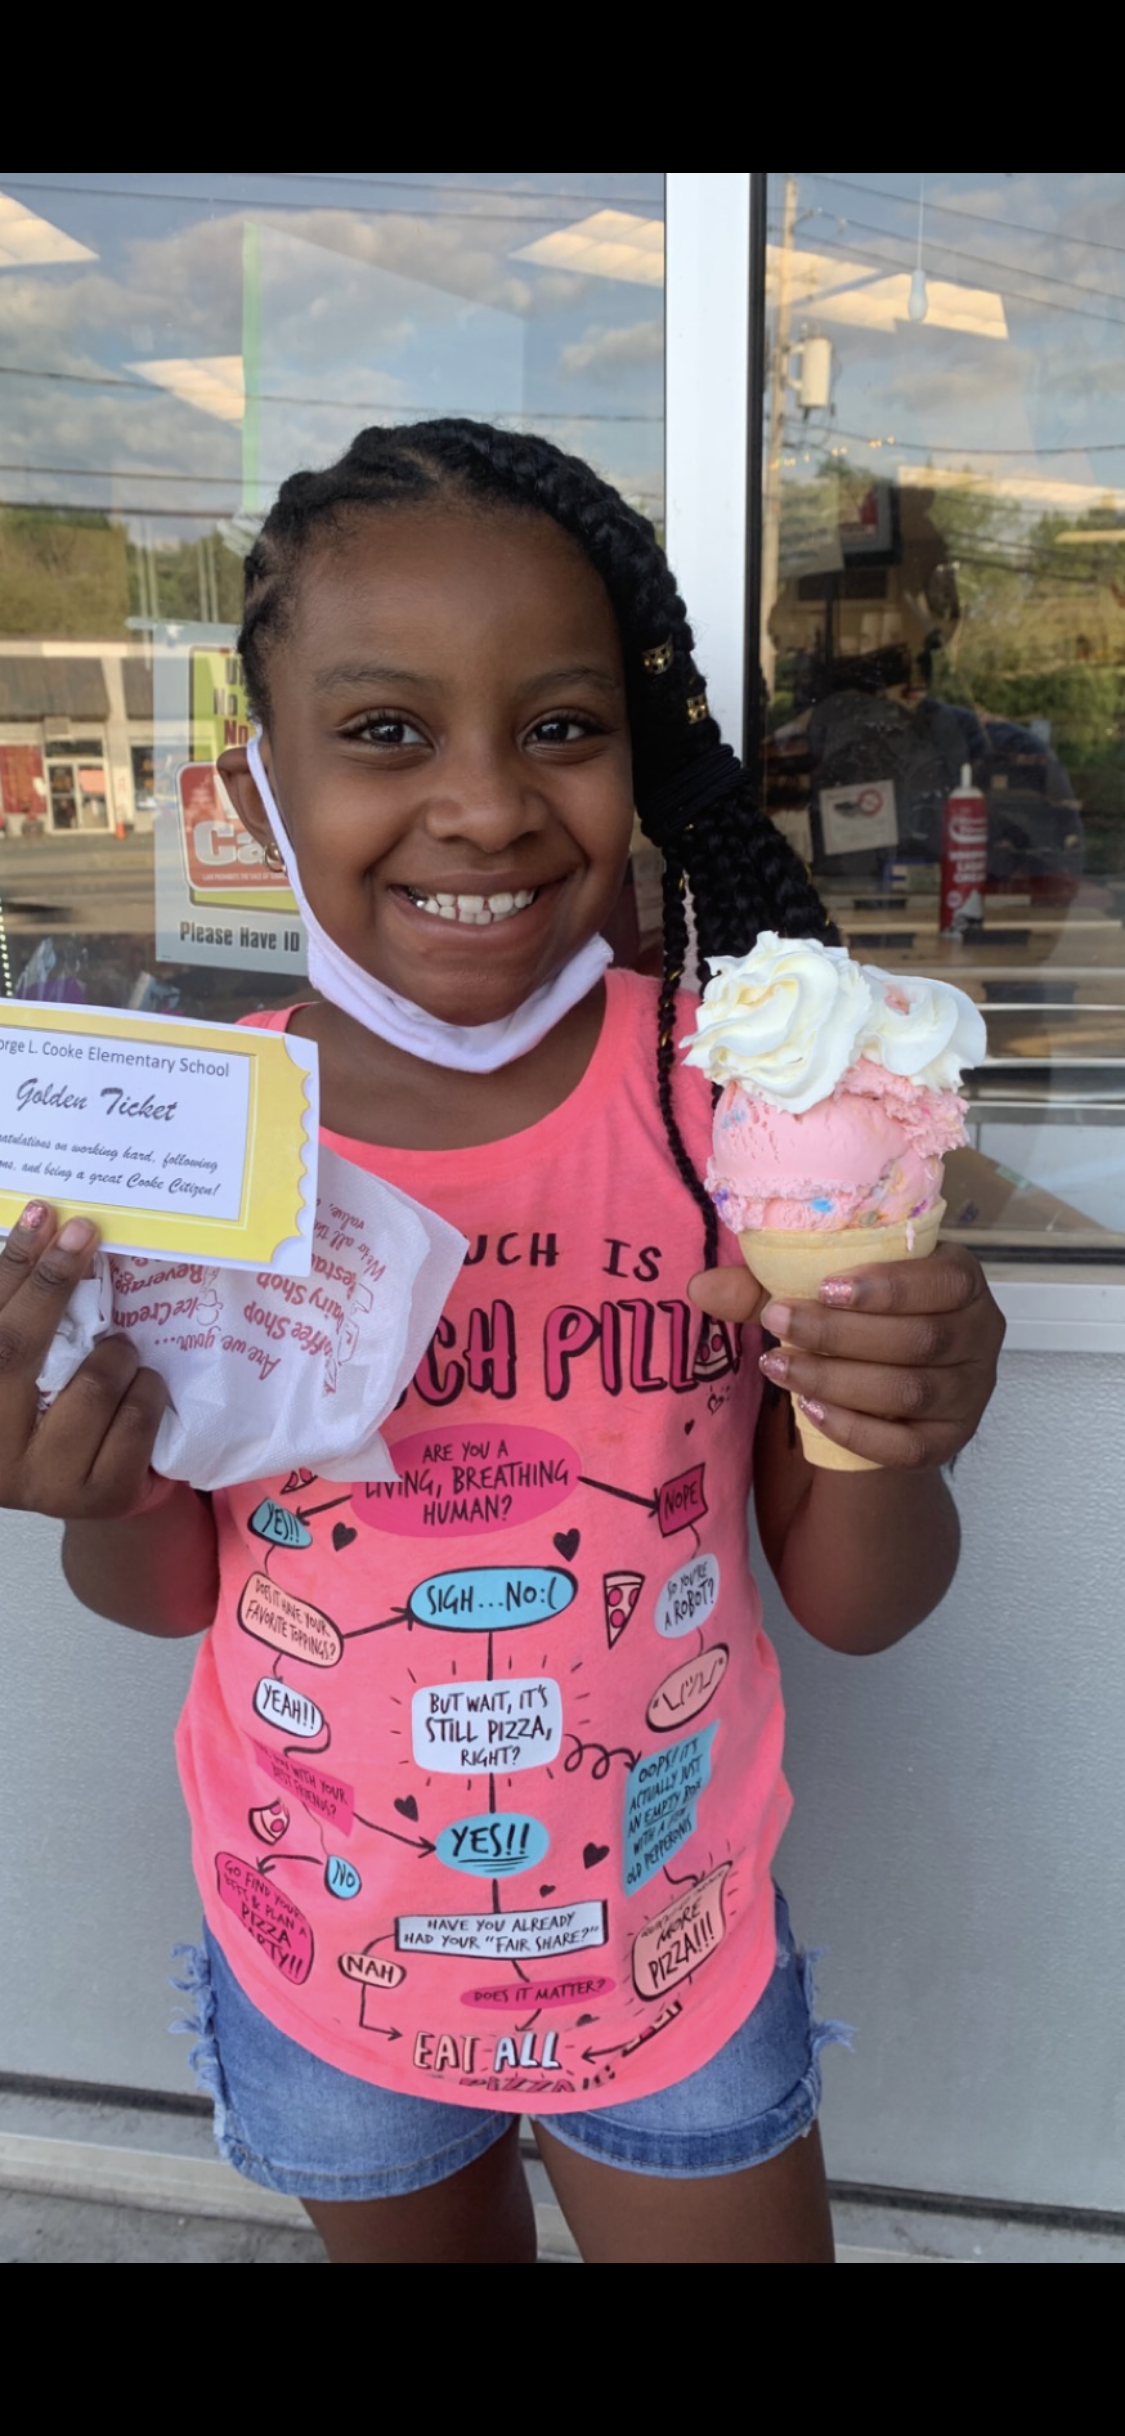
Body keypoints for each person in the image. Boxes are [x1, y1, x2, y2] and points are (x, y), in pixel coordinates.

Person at [0, 421, 1004, 2264]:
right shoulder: (196, 1140)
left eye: (562, 726)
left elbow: (860, 1603)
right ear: (255, 787)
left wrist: (899, 1431)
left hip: (670, 1957)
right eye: (386, 731)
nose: (485, 804)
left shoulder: (739, 1106)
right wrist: (90, 1479)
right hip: (324, 1953)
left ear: (640, 761)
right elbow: (155, 1592)